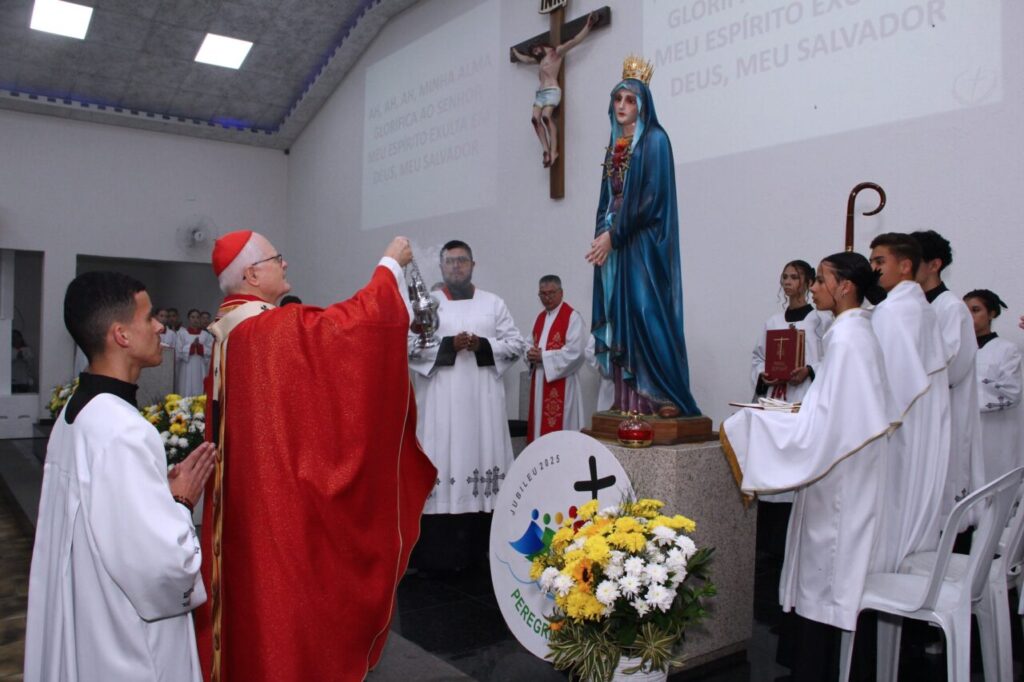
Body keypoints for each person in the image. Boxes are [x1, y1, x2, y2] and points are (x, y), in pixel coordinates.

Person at [193, 231, 436, 682]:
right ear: (251, 273)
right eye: (276, 258)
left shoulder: (234, 331)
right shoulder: (264, 330)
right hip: (277, 512)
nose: (285, 265)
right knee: (287, 618)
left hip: (251, 506)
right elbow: (350, 330)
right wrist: (388, 267)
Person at [25, 271, 215, 682]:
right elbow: (162, 568)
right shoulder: (124, 431)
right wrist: (179, 502)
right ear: (121, 335)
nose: (161, 326)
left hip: (90, 622)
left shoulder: (78, 412)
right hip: (128, 645)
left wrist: (155, 498)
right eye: (149, 318)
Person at [721, 252, 898, 681]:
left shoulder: (847, 337)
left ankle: (820, 670)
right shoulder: (852, 331)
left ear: (845, 288)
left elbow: (829, 425)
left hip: (840, 481)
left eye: (821, 280)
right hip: (846, 472)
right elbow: (833, 408)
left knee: (829, 576)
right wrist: (792, 413)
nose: (814, 287)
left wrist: (761, 428)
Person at [585, 55, 700, 419]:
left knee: (647, 313)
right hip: (618, 244)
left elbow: (651, 199)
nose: (621, 106)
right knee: (622, 317)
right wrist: (603, 233)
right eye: (617, 99)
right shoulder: (616, 144)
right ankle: (630, 399)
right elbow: (608, 197)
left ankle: (664, 394)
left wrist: (614, 236)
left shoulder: (655, 140)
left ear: (643, 105)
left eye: (630, 100)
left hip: (645, 244)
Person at [408, 240, 527, 572]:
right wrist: (448, 345)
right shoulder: (426, 305)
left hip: (482, 409)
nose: (456, 267)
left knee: (481, 463)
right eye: (450, 262)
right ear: (442, 267)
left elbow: (516, 344)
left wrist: (481, 345)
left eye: (462, 261)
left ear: (473, 265)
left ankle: (481, 553)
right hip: (439, 410)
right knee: (441, 465)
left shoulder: (493, 304)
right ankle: (434, 558)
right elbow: (409, 347)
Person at [748, 260, 829, 628]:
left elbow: (829, 362)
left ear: (809, 281)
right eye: (785, 276)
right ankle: (768, 557)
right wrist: (763, 374)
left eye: (795, 276)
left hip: (803, 405)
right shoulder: (772, 321)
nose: (789, 282)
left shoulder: (820, 321)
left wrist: (809, 371)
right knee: (772, 487)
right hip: (775, 404)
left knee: (796, 482)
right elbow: (757, 357)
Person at [869, 232, 951, 570]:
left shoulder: (893, 311)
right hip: (925, 423)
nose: (872, 269)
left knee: (894, 514)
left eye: (879, 261)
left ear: (905, 265)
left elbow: (889, 383)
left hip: (903, 426)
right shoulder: (919, 306)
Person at [911, 230, 984, 525]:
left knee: (944, 498)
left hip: (945, 414)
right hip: (917, 416)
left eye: (912, 260)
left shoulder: (951, 308)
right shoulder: (911, 305)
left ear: (934, 264)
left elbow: (953, 368)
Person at [511, 12, 598, 168]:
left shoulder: (555, 53)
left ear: (542, 46)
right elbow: (525, 59)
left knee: (546, 117)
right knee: (534, 120)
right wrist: (515, 52)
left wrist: (588, 26)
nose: (535, 53)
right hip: (540, 94)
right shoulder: (538, 60)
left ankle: (554, 151)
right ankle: (545, 150)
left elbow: (574, 41)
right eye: (533, 52)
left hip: (552, 90)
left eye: (536, 50)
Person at [964, 289, 1023, 480]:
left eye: (975, 310)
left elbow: (1011, 393)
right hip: (963, 433)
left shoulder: (1007, 350)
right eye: (964, 311)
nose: (969, 316)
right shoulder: (955, 349)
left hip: (994, 435)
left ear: (992, 314)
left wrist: (963, 392)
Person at [527, 275, 586, 442]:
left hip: (563, 384)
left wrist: (543, 356)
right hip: (540, 382)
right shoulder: (540, 318)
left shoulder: (572, 317)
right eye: (542, 294)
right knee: (540, 427)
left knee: (561, 433)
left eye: (551, 293)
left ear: (561, 292)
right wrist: (529, 354)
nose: (547, 298)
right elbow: (529, 343)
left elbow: (576, 352)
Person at [175, 309, 213, 397]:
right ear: (188, 318)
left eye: (197, 317)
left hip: (200, 365)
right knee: (186, 386)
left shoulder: (206, 335)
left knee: (200, 385)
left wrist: (200, 347)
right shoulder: (182, 334)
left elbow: (211, 350)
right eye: (192, 317)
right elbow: (178, 351)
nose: (195, 319)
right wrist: (192, 346)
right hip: (186, 366)